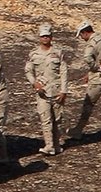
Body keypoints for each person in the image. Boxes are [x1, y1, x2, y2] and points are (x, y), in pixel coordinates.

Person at [68, 20, 101, 144]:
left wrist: (94, 68)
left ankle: (78, 130)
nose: (81, 38)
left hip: (98, 80)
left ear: (85, 32)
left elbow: (87, 58)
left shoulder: (92, 44)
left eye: (81, 35)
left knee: (88, 104)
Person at [24, 23, 68, 155]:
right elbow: (28, 71)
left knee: (57, 119)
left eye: (47, 36)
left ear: (51, 37)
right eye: (43, 36)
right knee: (45, 119)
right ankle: (48, 145)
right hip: (42, 92)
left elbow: (64, 72)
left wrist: (64, 90)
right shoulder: (34, 54)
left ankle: (56, 144)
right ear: (39, 38)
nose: (45, 39)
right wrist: (34, 83)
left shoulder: (58, 53)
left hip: (56, 90)